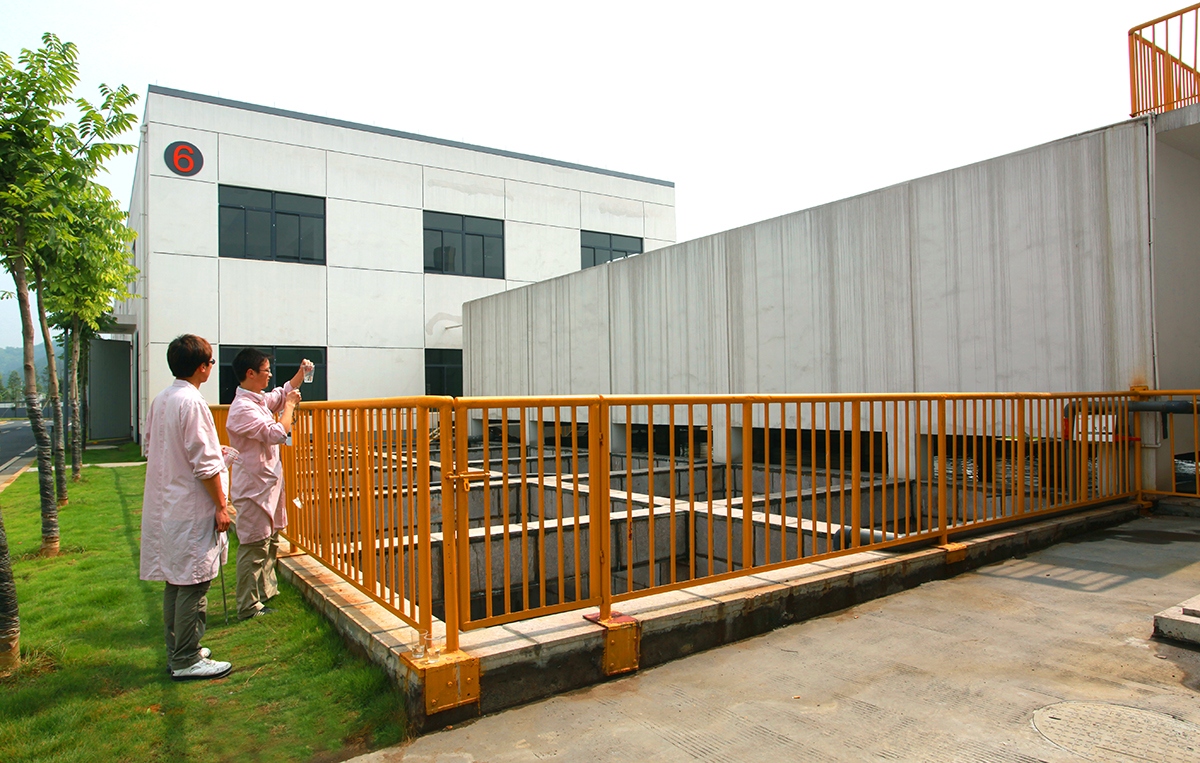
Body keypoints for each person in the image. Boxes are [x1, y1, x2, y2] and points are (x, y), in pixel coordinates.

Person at [140, 334, 233, 681]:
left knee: (176, 581)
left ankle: (178, 649)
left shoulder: (163, 399)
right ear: (202, 368)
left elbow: (154, 446)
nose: (211, 368)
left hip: (168, 503)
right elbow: (204, 463)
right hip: (190, 505)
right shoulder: (192, 402)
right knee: (194, 582)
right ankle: (186, 658)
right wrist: (221, 505)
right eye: (210, 362)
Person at [225, 349, 310, 620]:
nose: (270, 375)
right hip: (254, 488)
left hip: (267, 484)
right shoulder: (242, 409)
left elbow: (281, 393)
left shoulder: (258, 400)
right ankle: (248, 606)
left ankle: (265, 593)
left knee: (270, 540)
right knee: (254, 545)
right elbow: (276, 433)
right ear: (250, 373)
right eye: (266, 370)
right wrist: (290, 407)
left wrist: (300, 374)